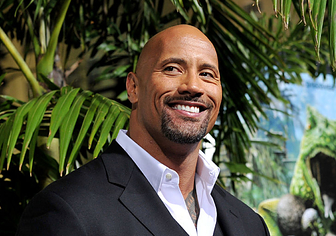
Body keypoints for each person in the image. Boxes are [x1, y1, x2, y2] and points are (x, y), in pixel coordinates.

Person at [16, 24, 270, 236]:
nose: (193, 86)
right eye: (172, 69)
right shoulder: (67, 212)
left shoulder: (250, 225)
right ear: (133, 87)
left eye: (207, 74)